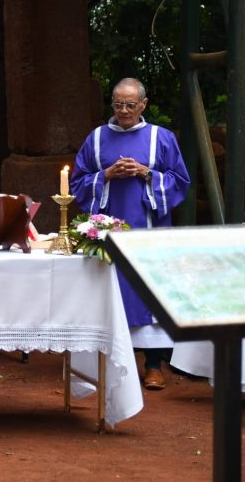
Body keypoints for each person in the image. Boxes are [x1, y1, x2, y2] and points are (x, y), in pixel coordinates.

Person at [70, 77, 190, 390]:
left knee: (149, 293)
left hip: (149, 231)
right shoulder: (96, 138)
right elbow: (78, 182)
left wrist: (145, 173)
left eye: (130, 105)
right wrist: (107, 175)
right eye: (118, 104)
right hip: (108, 233)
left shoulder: (161, 138)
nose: (124, 110)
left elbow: (180, 181)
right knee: (112, 294)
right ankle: (112, 364)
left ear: (143, 105)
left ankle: (153, 365)